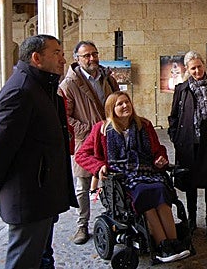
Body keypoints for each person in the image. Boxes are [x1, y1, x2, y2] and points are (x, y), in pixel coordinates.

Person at [0, 34, 77, 269]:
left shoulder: (41, 87)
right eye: (56, 53)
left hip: (42, 194)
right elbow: (0, 147)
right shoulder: (20, 91)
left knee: (42, 257)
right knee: (24, 261)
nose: (63, 59)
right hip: (29, 198)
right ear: (36, 58)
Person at [75, 91, 190, 263]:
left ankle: (174, 243)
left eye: (127, 102)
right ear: (111, 109)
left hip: (147, 172)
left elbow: (158, 150)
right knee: (145, 196)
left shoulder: (144, 125)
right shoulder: (102, 129)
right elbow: (81, 155)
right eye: (119, 104)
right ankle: (162, 245)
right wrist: (99, 166)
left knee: (160, 192)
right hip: (122, 178)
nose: (125, 106)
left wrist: (161, 159)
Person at [168, 50, 207, 243]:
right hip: (188, 145)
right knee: (190, 185)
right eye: (193, 68)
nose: (197, 71)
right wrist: (176, 138)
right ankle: (192, 222)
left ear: (204, 65)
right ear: (187, 69)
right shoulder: (181, 90)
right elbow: (174, 118)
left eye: (199, 66)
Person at [59, 40, 119, 245]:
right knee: (83, 186)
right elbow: (65, 118)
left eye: (94, 54)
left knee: (113, 180)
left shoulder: (107, 78)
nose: (92, 58)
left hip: (111, 139)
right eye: (86, 56)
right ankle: (81, 225)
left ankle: (113, 219)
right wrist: (90, 129)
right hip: (86, 142)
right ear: (77, 59)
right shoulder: (69, 84)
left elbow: (118, 103)